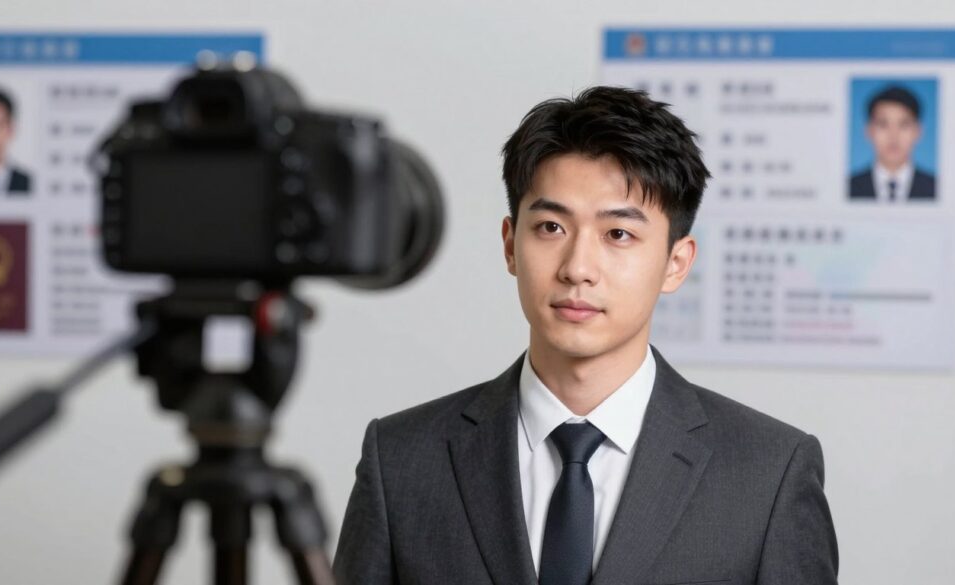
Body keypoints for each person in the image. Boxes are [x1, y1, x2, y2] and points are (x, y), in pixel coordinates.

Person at [334, 87, 839, 584]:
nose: (577, 268)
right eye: (551, 228)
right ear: (510, 245)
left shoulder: (769, 472)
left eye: (618, 234)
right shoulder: (400, 459)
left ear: (676, 262)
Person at [849, 85, 935, 202]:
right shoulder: (848, 187)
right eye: (883, 124)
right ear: (869, 131)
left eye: (904, 125)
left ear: (918, 132)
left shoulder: (937, 188)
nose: (893, 136)